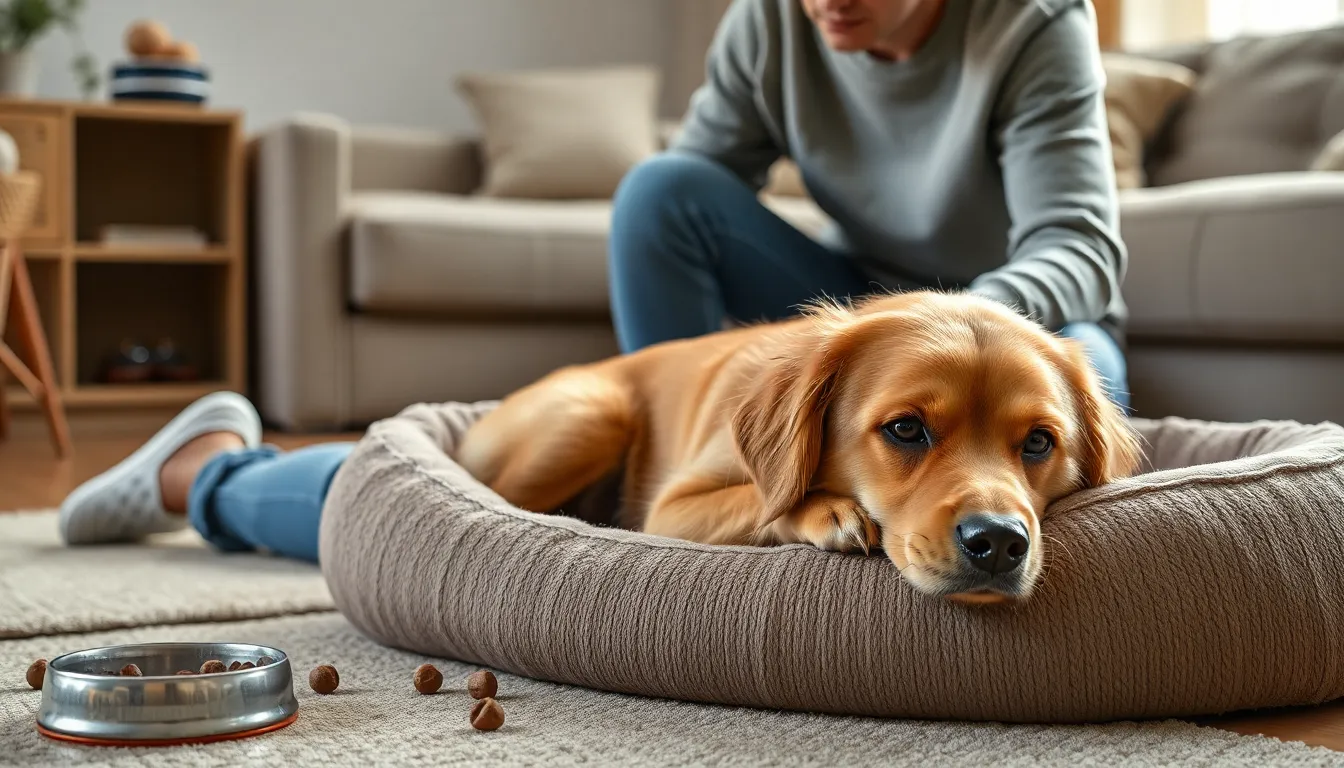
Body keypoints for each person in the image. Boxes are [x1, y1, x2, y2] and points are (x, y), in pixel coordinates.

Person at [58, 0, 1129, 563]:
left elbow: (1082, 246)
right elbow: (692, 195)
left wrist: (959, 329)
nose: (822, 1)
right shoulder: (778, 17)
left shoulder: (1033, 24)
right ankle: (221, 481)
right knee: (661, 189)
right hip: (856, 308)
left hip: (1026, 316)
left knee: (1099, 411)